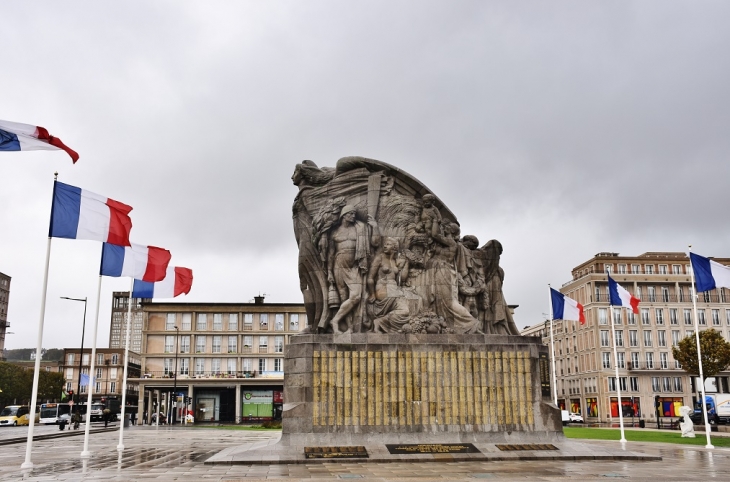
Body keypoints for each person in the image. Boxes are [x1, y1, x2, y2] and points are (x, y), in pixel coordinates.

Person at [326, 205, 380, 333]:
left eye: (354, 214)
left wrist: (375, 227)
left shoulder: (360, 228)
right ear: (344, 215)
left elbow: (376, 243)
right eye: (351, 214)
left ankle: (335, 320)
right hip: (339, 265)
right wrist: (329, 272)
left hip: (355, 266)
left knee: (355, 296)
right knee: (344, 297)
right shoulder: (335, 232)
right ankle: (348, 327)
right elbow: (330, 254)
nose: (354, 216)